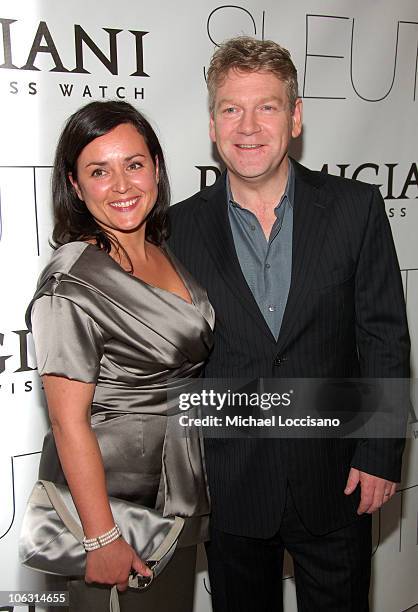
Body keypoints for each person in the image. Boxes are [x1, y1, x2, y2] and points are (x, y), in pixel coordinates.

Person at [167, 37, 410, 611]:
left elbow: (383, 338)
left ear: (295, 117)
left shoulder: (356, 208)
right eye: (231, 108)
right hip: (232, 485)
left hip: (336, 478)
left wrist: (378, 453)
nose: (248, 126)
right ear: (212, 122)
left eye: (267, 107)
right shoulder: (177, 230)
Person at [26, 100, 214, 612]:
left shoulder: (159, 246)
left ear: (156, 165)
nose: (123, 185)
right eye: (99, 171)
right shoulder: (72, 283)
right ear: (75, 184)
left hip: (177, 486)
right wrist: (99, 538)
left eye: (133, 164)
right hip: (109, 507)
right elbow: (69, 424)